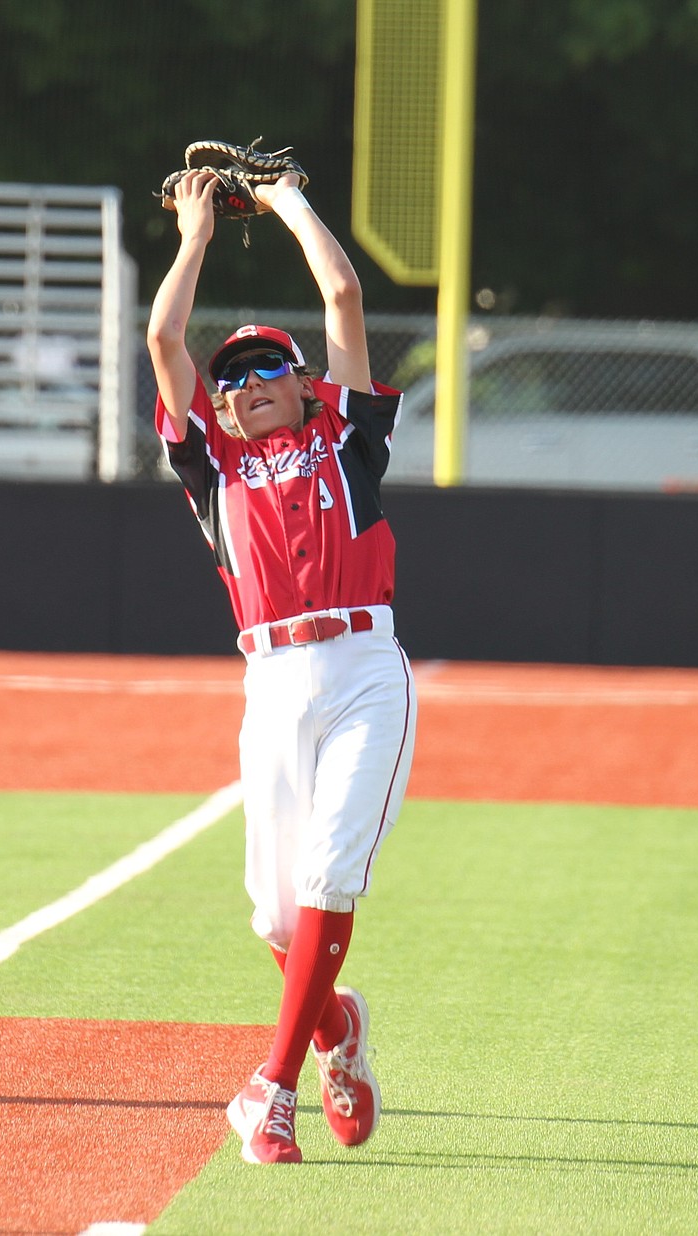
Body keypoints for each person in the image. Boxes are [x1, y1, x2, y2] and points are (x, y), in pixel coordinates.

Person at [146, 168, 417, 1165]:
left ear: (306, 385)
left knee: (331, 871)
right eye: (236, 379)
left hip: (360, 670)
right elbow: (165, 343)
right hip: (271, 684)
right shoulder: (211, 467)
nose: (249, 386)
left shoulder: (344, 436)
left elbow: (343, 296)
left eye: (269, 372)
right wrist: (196, 230)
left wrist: (291, 200)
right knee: (272, 904)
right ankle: (336, 1029)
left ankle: (274, 1088)